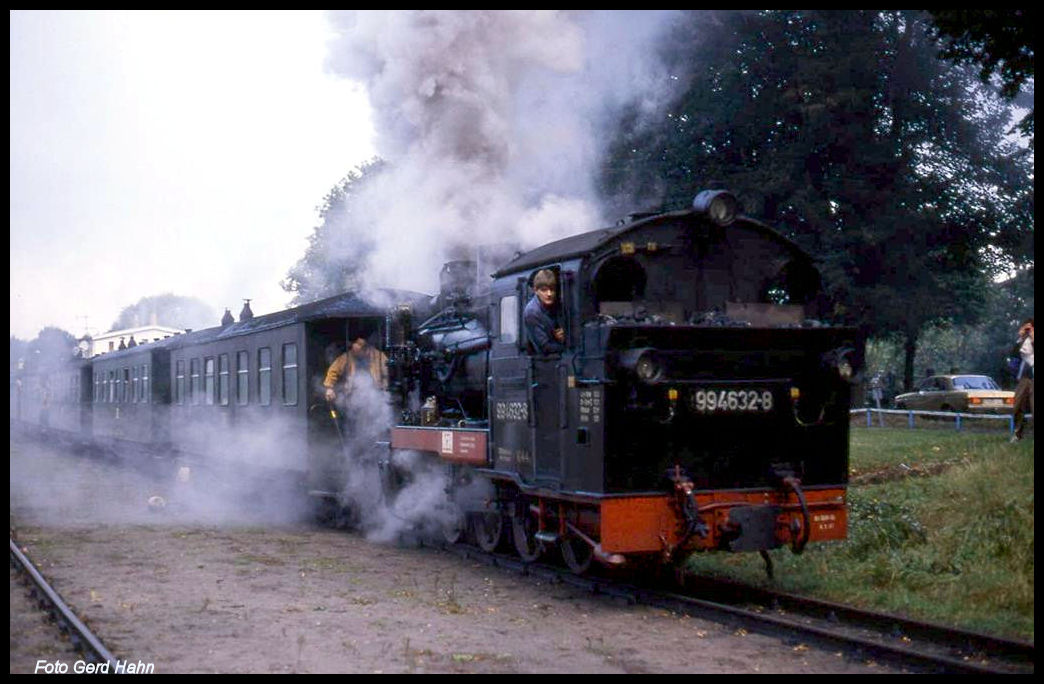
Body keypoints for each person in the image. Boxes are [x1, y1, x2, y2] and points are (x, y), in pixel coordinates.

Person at [323, 335, 388, 403]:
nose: (354, 354)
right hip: (352, 396)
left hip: (375, 395)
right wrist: (329, 388)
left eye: (358, 351)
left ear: (366, 350)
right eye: (354, 351)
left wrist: (384, 388)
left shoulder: (379, 356)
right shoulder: (348, 356)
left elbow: (389, 372)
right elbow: (333, 370)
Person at [523, 269, 565, 355]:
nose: (549, 294)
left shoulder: (556, 305)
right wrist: (566, 343)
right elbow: (545, 347)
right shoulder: (532, 312)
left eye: (552, 289)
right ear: (536, 290)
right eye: (544, 290)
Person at [1011, 317, 1034, 443]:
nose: (1028, 330)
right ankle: (1017, 434)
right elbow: (1014, 354)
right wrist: (1020, 337)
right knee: (1017, 406)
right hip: (1024, 377)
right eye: (1026, 327)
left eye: (1030, 327)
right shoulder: (1023, 341)